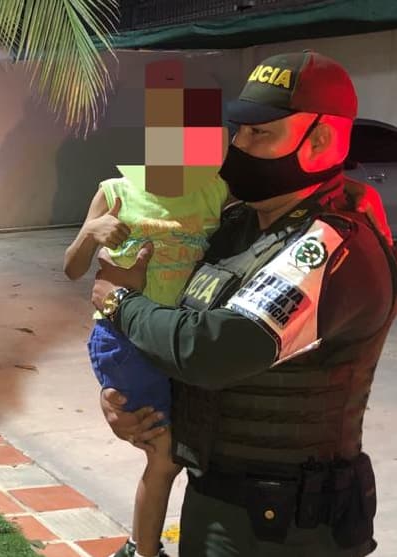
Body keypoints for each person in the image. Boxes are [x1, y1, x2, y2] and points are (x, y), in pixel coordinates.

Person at [92, 51, 395, 557]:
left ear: (319, 141)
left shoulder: (329, 244)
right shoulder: (239, 225)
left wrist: (119, 304)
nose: (238, 145)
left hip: (289, 528)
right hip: (218, 500)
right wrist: (129, 399)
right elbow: (176, 320)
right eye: (239, 130)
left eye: (261, 133)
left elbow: (214, 348)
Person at [64, 59, 229, 557]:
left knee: (183, 450)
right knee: (164, 452)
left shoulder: (215, 190)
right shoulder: (115, 193)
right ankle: (143, 549)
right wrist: (89, 237)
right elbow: (73, 269)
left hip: (182, 335)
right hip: (124, 338)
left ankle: (141, 546)